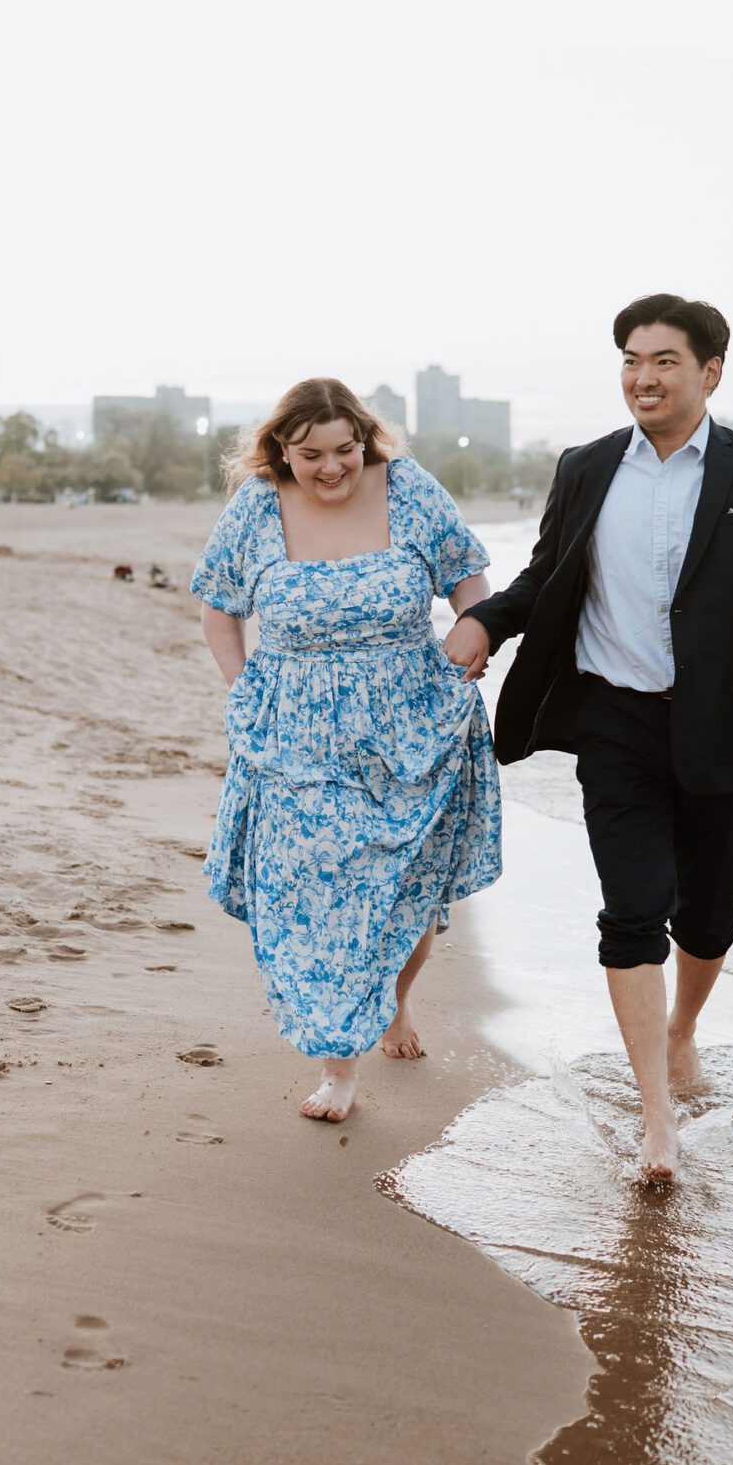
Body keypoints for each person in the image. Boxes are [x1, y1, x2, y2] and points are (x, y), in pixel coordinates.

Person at [445, 294, 733, 1186]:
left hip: (718, 728)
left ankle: (683, 1029)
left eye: (663, 361)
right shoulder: (585, 468)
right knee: (631, 909)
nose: (642, 377)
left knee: (708, 914)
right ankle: (655, 1117)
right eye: (629, 359)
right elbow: (547, 574)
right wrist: (485, 623)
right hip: (611, 721)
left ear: (709, 372)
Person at [192, 378, 501, 1123]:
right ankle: (339, 1070)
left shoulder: (408, 490)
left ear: (364, 440)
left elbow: (470, 582)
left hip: (412, 727)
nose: (332, 469)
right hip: (295, 734)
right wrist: (244, 695)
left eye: (345, 450)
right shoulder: (257, 507)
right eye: (310, 455)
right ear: (280, 451)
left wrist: (474, 632)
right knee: (318, 899)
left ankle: (391, 1005)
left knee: (408, 894)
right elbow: (219, 611)